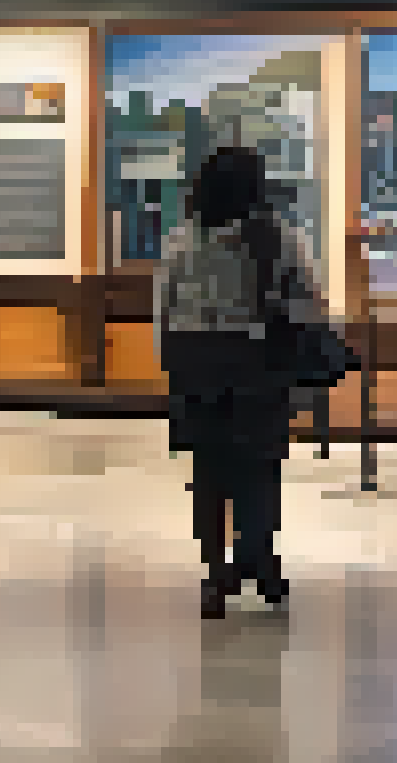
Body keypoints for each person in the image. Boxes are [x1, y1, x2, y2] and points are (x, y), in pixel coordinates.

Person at [156, 145, 324, 619]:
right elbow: (307, 305)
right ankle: (259, 564)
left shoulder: (181, 240)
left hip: (196, 368)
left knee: (208, 474)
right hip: (257, 365)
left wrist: (171, 365)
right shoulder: (280, 241)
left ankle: (215, 577)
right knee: (258, 470)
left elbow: (162, 310)